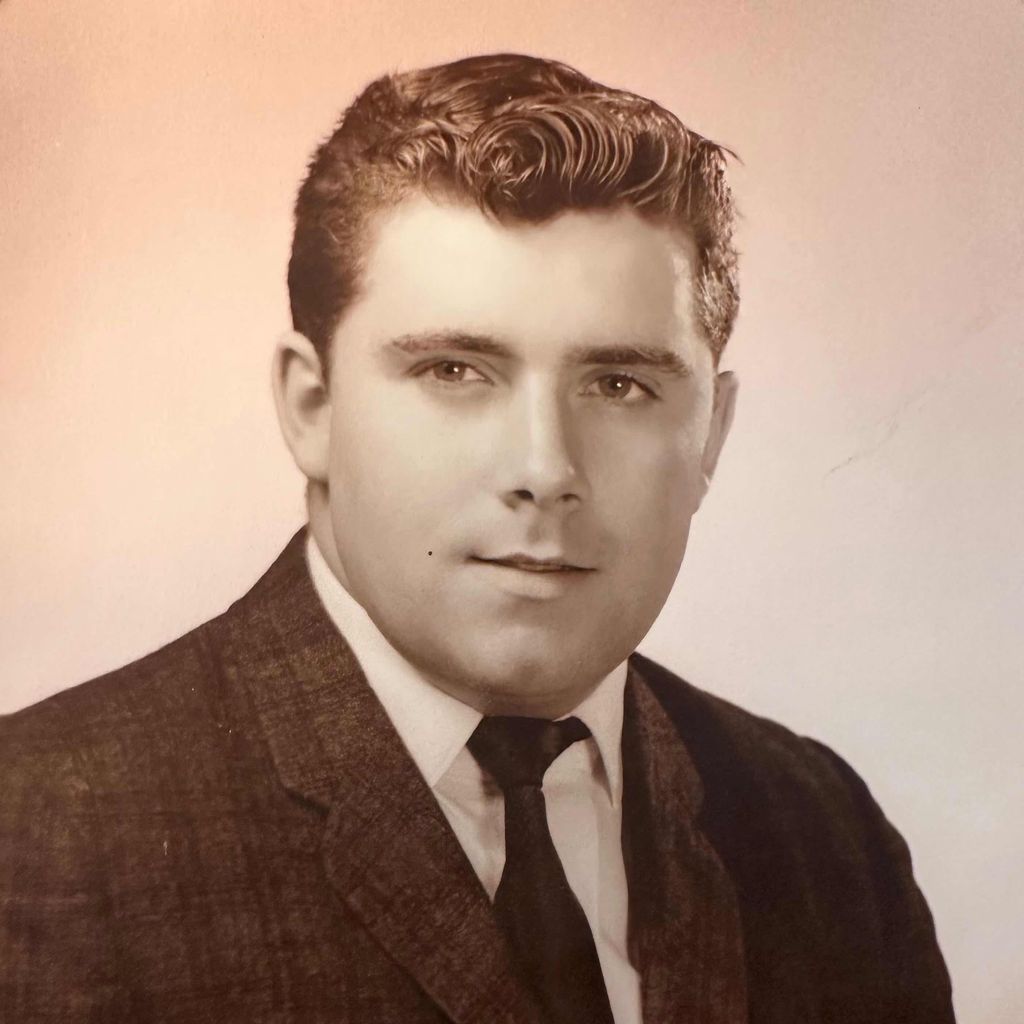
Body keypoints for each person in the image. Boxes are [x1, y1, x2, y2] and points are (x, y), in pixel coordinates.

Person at [0, 53, 954, 1023]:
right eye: (455, 372)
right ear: (311, 407)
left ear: (710, 435)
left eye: (618, 384)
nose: (545, 467)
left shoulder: (828, 840)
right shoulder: (37, 836)